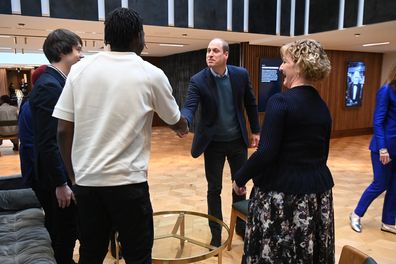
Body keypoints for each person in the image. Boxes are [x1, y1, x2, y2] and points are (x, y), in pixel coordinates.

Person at [53, 8, 188, 264]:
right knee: (137, 255)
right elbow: (175, 121)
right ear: (138, 36)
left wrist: (74, 176)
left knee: (91, 253)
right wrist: (183, 125)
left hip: (88, 184)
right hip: (129, 185)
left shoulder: (80, 70)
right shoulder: (151, 74)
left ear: (108, 37)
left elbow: (62, 130)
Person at [233, 39, 334, 263]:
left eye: (284, 62)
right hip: (316, 197)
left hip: (283, 198)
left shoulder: (280, 102)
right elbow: (322, 154)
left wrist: (240, 177)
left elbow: (266, 152)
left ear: (299, 66)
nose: (280, 67)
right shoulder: (322, 106)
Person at [181, 38, 260, 246]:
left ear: (226, 55)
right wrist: (184, 122)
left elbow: (251, 103)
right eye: (208, 51)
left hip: (237, 142)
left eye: (215, 51)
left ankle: (241, 227)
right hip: (213, 144)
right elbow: (189, 106)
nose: (210, 54)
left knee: (239, 185)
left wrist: (256, 131)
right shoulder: (198, 80)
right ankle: (216, 232)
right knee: (214, 188)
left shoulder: (240, 75)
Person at [29, 29, 83, 264]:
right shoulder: (50, 86)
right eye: (77, 49)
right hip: (55, 180)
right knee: (64, 235)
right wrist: (61, 183)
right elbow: (48, 141)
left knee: (66, 232)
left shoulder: (56, 82)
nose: (81, 55)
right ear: (62, 51)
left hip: (58, 175)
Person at [350, 64, 396, 235]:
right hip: (383, 148)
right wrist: (383, 148)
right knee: (380, 183)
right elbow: (378, 121)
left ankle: (389, 222)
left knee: (395, 187)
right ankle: (356, 214)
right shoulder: (386, 91)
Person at [18, 65, 48, 187]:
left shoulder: (31, 104)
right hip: (41, 174)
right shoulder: (32, 107)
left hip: (41, 171)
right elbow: (30, 144)